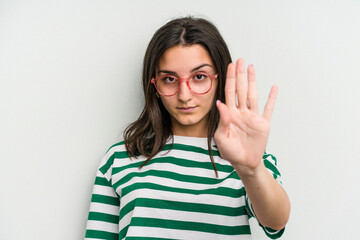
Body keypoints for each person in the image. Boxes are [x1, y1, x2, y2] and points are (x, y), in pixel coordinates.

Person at [85, 16, 290, 239]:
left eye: (199, 77)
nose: (184, 95)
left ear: (219, 79)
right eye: (170, 79)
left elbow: (275, 223)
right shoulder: (120, 158)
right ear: (154, 84)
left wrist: (251, 170)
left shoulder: (247, 158)